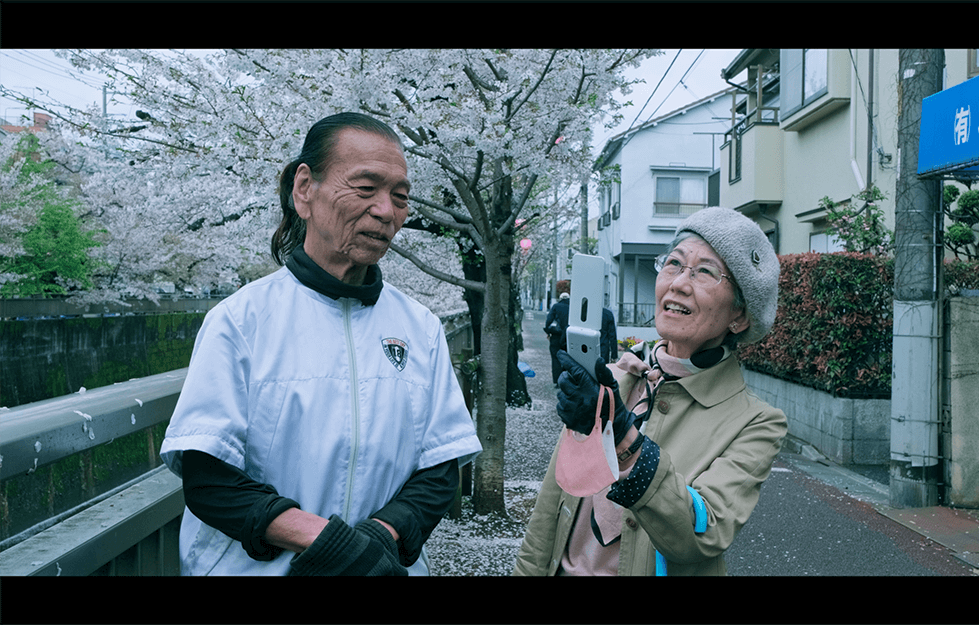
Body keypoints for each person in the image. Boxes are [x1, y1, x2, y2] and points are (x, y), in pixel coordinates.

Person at [159, 112, 482, 576]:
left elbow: (439, 467)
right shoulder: (239, 321)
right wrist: (329, 543)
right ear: (305, 189)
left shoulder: (421, 328)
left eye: (400, 196)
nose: (386, 211)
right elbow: (210, 479)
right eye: (366, 188)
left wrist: (379, 539)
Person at [513, 206, 787, 576]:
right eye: (673, 263)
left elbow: (698, 536)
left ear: (740, 317)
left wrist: (623, 435)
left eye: (705, 271)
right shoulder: (614, 380)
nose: (678, 283)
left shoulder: (756, 423)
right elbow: (550, 507)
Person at [543, 280, 571, 384]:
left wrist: (548, 332)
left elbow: (548, 321)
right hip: (568, 337)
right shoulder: (572, 308)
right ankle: (566, 380)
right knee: (567, 359)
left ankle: (556, 380)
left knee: (555, 358)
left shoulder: (555, 307)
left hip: (555, 336)